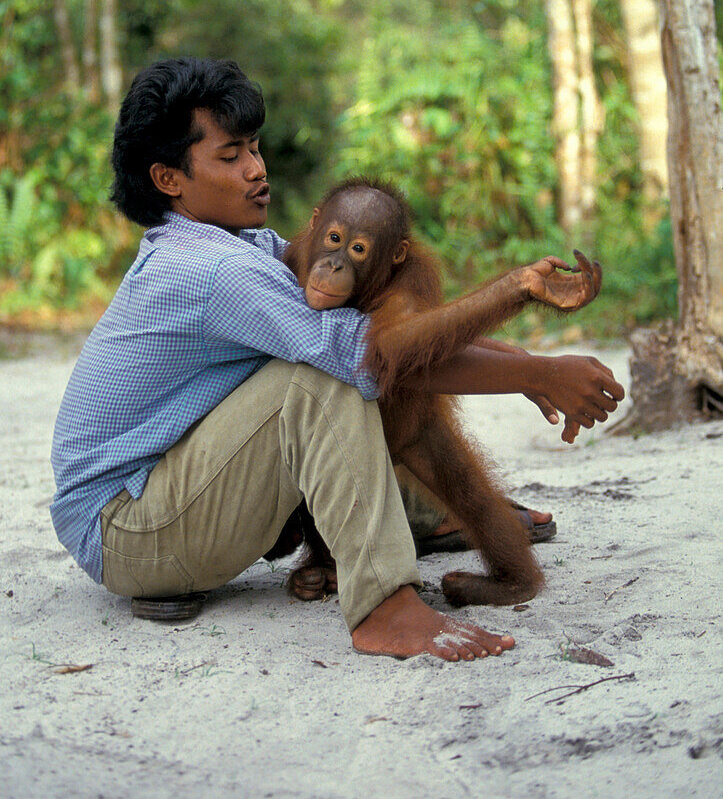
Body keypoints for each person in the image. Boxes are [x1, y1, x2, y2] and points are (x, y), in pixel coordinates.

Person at [50, 57, 624, 663]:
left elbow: (383, 335)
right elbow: (372, 359)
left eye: (254, 148)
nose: (256, 170)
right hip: (133, 533)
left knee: (334, 358)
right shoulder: (211, 271)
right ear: (169, 179)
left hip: (163, 499)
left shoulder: (239, 245)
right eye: (230, 156)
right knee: (321, 378)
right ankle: (385, 604)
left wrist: (524, 360)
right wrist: (537, 370)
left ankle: (419, 512)